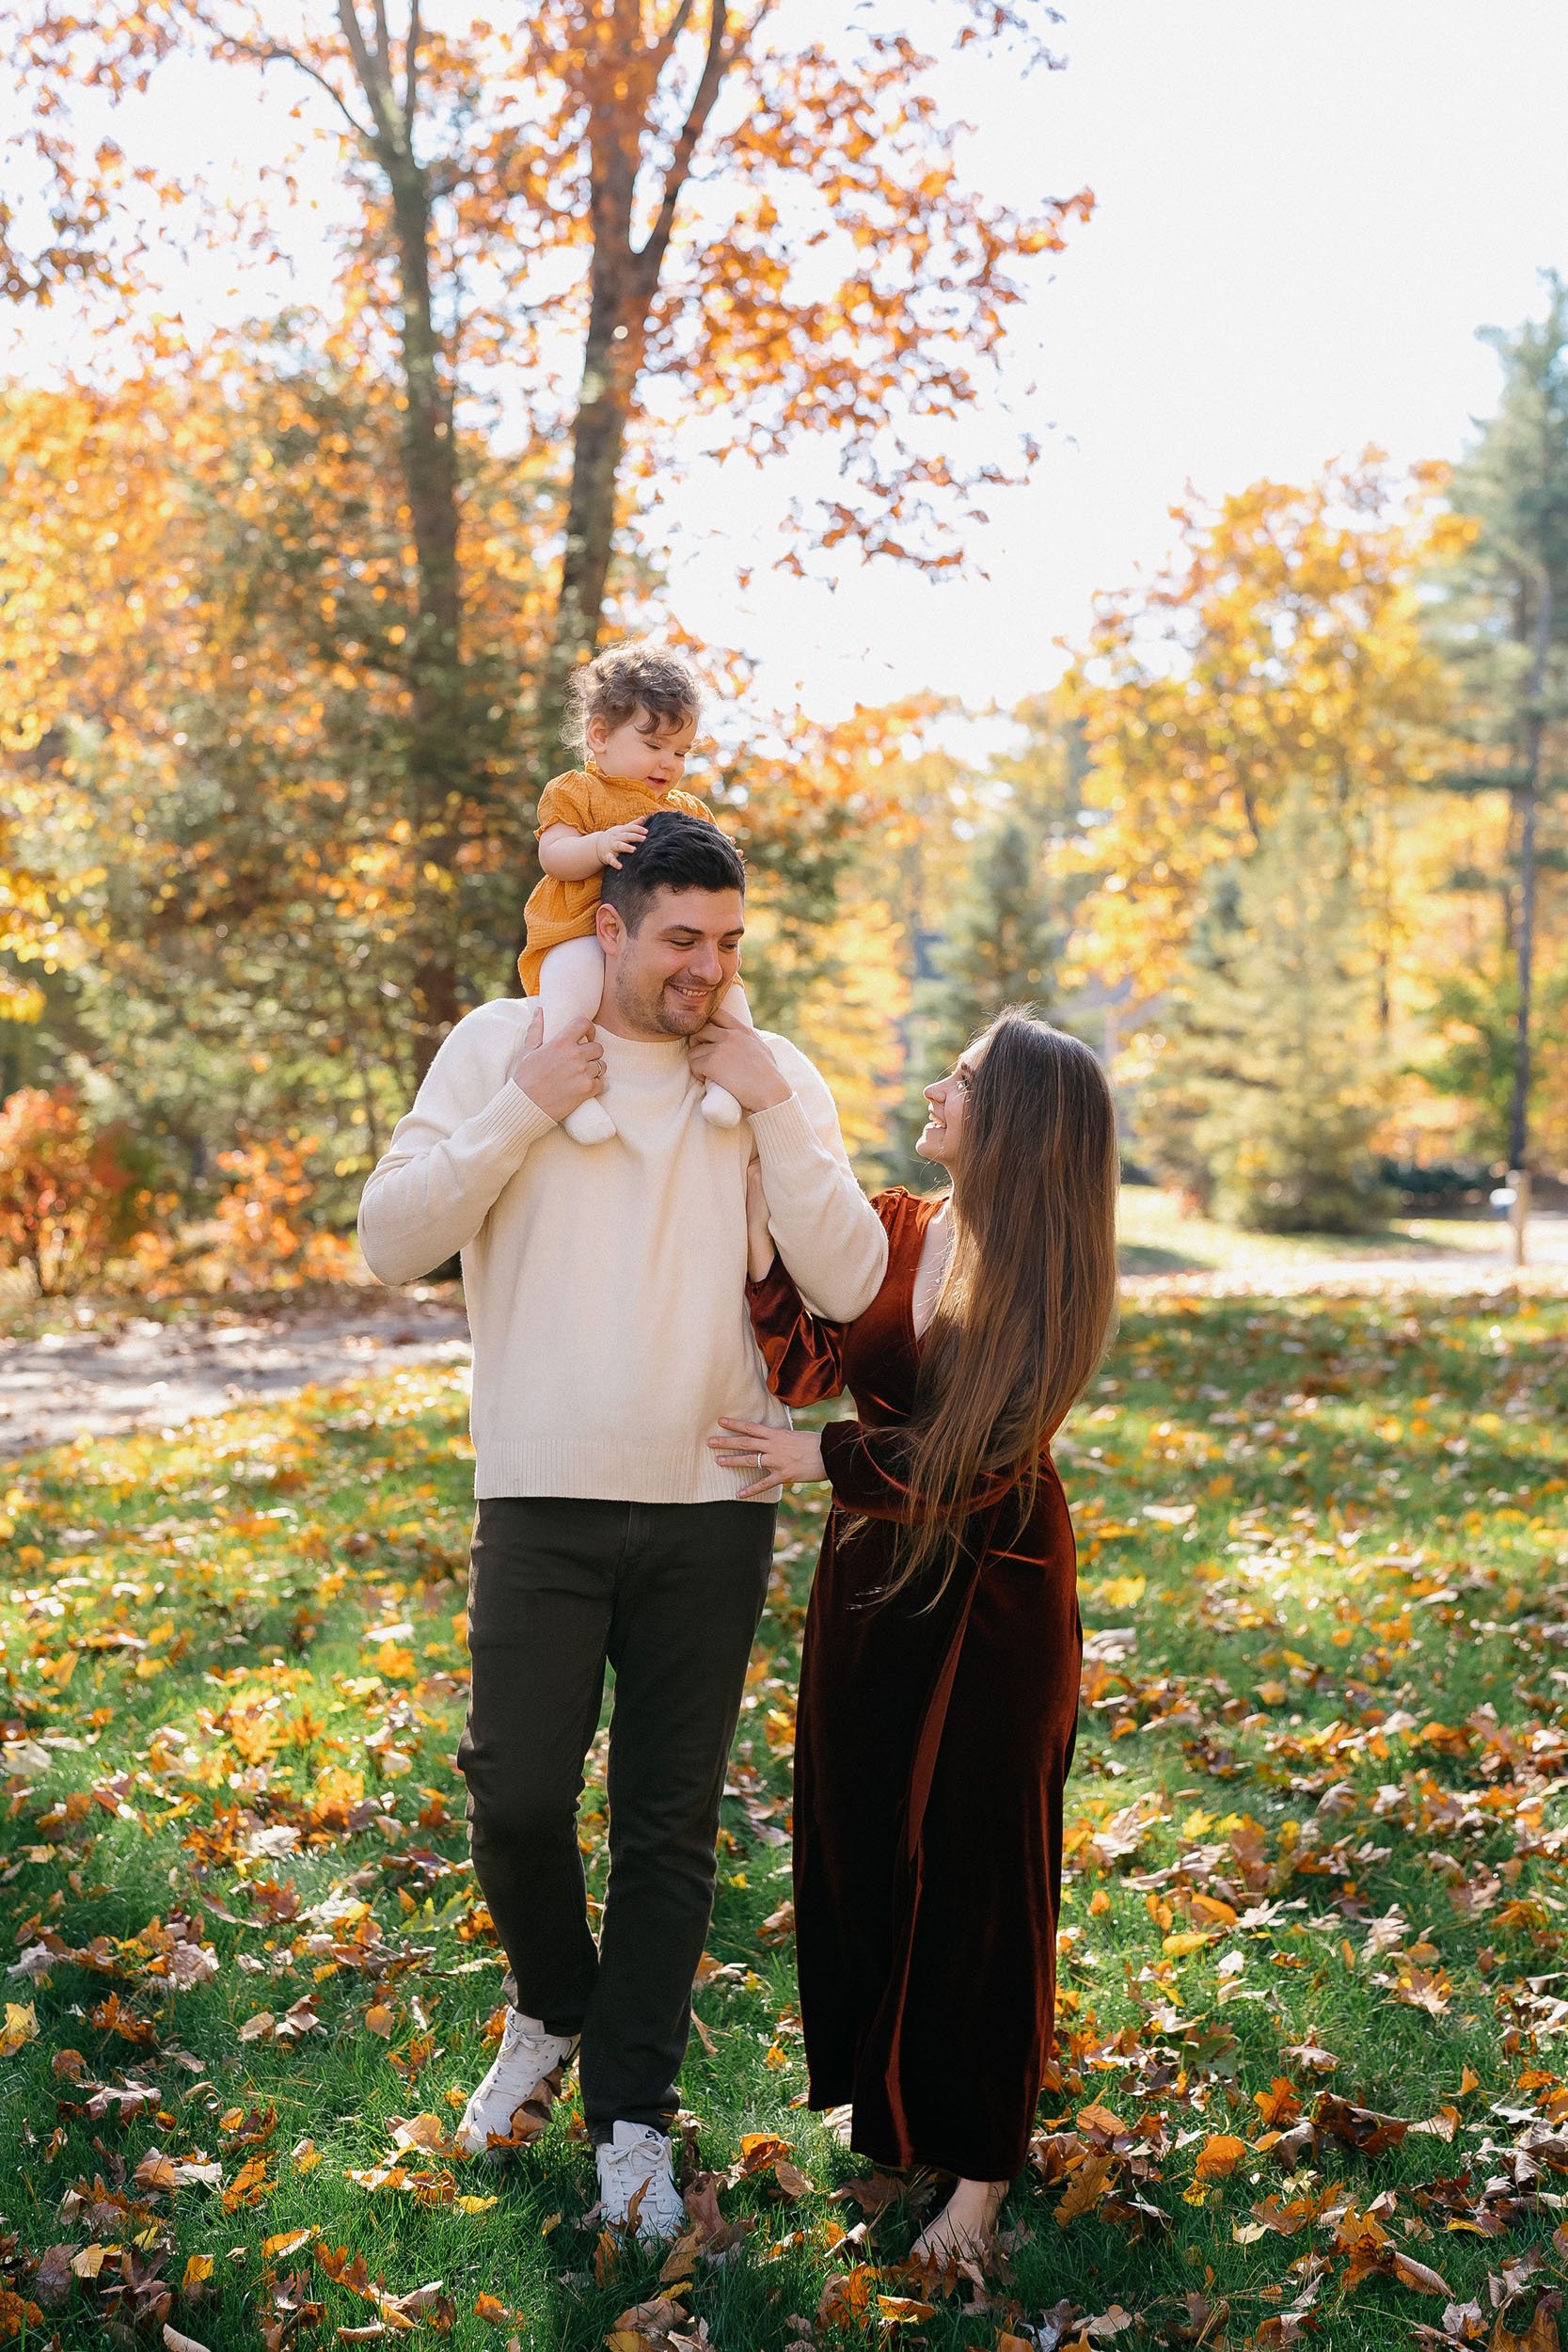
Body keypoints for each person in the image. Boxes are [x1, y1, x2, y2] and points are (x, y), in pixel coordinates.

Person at [357, 812, 888, 2241]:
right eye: (680, 941)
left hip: (710, 1504)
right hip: (537, 1491)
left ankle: (631, 2120)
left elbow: (847, 1283)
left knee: (667, 1828)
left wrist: (773, 1102)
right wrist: (524, 1101)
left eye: (728, 944)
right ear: (609, 928)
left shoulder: (765, 1073)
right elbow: (390, 1238)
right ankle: (551, 2003)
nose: (707, 971)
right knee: (513, 1793)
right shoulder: (498, 1046)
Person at [710, 1009, 1118, 2265]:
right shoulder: (893, 1230)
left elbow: (987, 1460)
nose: (936, 1086)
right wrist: (749, 1235)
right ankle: (892, 2121)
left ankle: (981, 2169)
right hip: (871, 1584)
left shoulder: (1045, 1271)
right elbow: (803, 1354)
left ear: (1018, 1125)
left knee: (980, 1876)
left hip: (991, 1603)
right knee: (857, 1838)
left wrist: (818, 1456)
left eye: (965, 1077)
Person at [518, 642, 754, 1145]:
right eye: (654, 746)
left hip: (652, 937)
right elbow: (553, 855)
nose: (668, 763)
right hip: (582, 927)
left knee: (726, 990)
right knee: (570, 989)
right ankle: (574, 1096)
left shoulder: (683, 805)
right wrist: (598, 844)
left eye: (681, 752)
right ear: (599, 735)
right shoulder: (576, 792)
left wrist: (720, 846)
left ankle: (729, 1081)